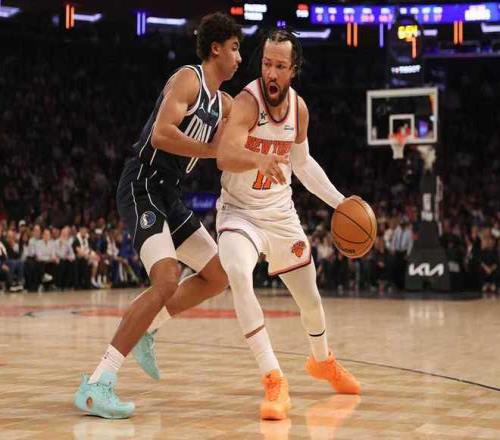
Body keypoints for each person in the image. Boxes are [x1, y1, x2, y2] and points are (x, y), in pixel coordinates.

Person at [73, 13, 270, 419]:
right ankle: (97, 383)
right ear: (215, 48)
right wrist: (213, 150)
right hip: (142, 183)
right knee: (165, 279)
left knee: (218, 274)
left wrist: (265, 151)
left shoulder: (225, 103)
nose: (239, 58)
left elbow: (233, 147)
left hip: (170, 194)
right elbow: (162, 134)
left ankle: (150, 326)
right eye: (235, 48)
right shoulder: (188, 79)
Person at [213, 28, 360, 420]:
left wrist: (340, 203)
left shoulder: (299, 110)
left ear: (294, 69)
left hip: (280, 215)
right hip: (240, 212)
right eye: (266, 64)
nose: (271, 73)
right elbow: (225, 155)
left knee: (310, 300)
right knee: (238, 273)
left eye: (280, 66)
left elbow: (303, 164)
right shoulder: (247, 102)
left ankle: (322, 360)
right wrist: (257, 159)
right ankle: (273, 378)